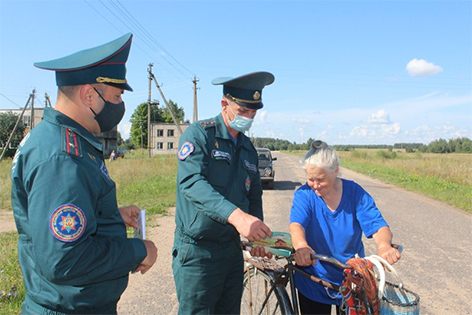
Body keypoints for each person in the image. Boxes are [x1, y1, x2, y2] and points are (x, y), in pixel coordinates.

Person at [10, 33, 158, 314]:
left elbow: (61, 216)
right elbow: (66, 260)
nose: (119, 106)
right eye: (116, 96)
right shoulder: (62, 156)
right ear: (89, 95)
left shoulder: (59, 139)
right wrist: (139, 251)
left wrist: (113, 215)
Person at [172, 72, 275, 314]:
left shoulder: (249, 149)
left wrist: (256, 235)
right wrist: (238, 217)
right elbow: (191, 182)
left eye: (253, 112)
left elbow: (254, 196)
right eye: (242, 111)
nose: (248, 118)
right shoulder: (200, 135)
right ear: (224, 104)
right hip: (198, 252)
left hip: (231, 252)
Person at [289, 140, 401, 315]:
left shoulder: (355, 193)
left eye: (321, 179)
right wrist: (302, 247)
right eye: (311, 179)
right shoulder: (305, 195)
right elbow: (297, 226)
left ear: (335, 171)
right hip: (314, 281)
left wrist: (384, 246)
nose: (315, 185)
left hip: (351, 281)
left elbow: (378, 226)